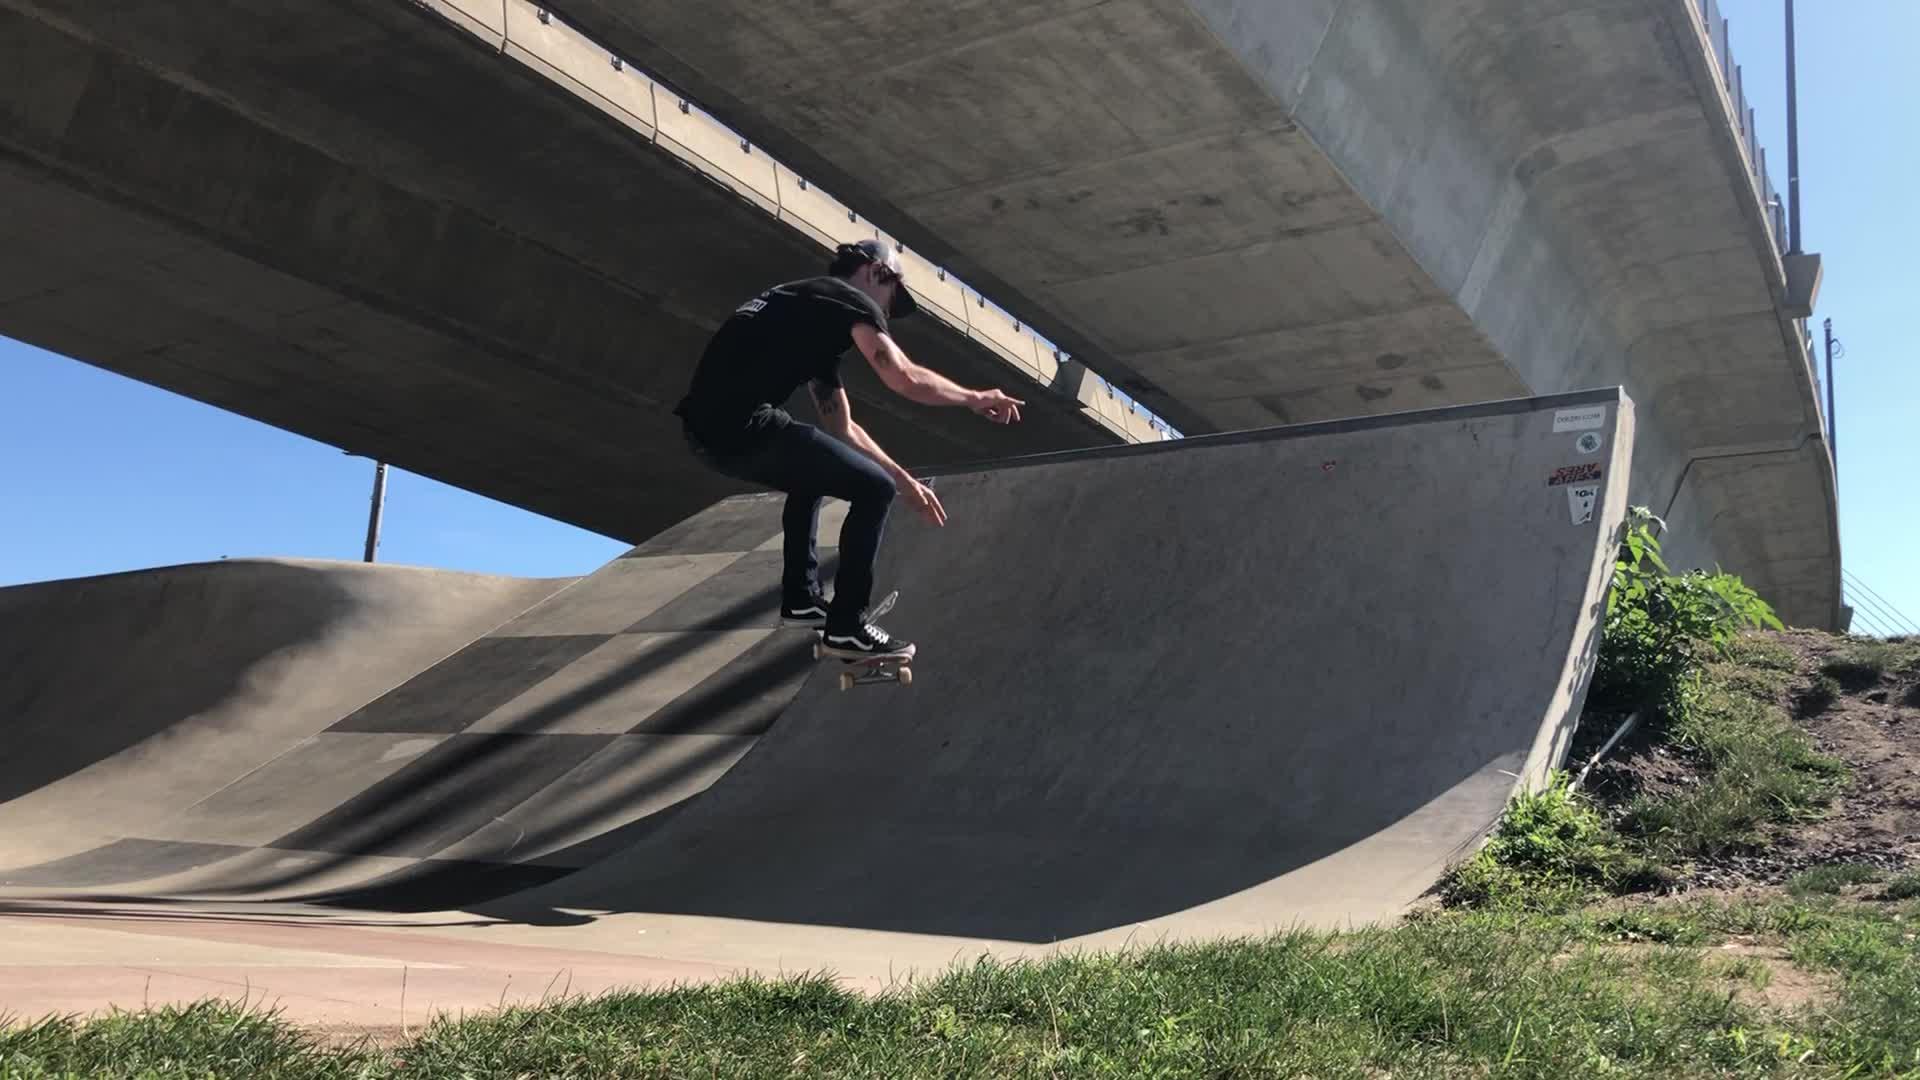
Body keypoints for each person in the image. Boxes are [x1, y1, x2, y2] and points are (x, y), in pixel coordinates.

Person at [673, 239, 1026, 659]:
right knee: (870, 489)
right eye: (892, 300)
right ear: (877, 273)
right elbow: (905, 378)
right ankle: (847, 627)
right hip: (740, 427)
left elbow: (842, 428)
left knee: (817, 469)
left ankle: (801, 599)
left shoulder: (806, 309)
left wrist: (905, 481)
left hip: (709, 432)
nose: (886, 316)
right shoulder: (850, 300)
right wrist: (974, 397)